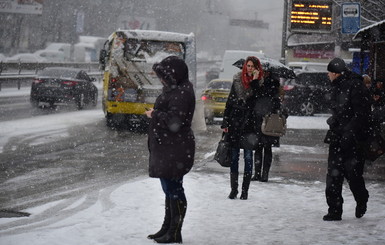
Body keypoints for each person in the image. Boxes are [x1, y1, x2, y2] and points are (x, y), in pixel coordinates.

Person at [145, 56, 195, 243]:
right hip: (170, 147)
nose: (161, 80)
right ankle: (167, 228)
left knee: (174, 189)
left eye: (164, 76)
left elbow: (175, 120)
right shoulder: (176, 89)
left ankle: (174, 232)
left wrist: (154, 114)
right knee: (169, 189)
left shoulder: (181, 92)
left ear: (173, 75)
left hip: (175, 147)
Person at [323, 57, 371, 221]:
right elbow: (340, 111)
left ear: (335, 73)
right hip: (338, 136)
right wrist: (334, 120)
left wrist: (348, 132)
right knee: (333, 175)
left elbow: (361, 114)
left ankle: (362, 199)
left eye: (329, 72)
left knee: (353, 175)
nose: (328, 76)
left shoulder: (355, 86)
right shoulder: (336, 87)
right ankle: (334, 210)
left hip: (354, 140)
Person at [221, 56, 263, 200]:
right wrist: (225, 121)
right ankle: (234, 190)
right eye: (248, 66)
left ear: (256, 68)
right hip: (235, 122)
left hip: (250, 125)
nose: (249, 68)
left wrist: (256, 81)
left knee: (248, 157)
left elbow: (257, 100)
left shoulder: (260, 82)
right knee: (233, 158)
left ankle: (245, 191)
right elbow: (230, 101)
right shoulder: (237, 80)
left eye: (252, 66)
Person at [251, 65, 283, 182]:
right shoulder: (262, 83)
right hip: (261, 117)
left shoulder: (272, 84)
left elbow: (259, 93)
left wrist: (256, 81)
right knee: (260, 147)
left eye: (264, 72)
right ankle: (259, 174)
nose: (262, 73)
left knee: (265, 147)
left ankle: (263, 174)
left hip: (267, 118)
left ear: (268, 73)